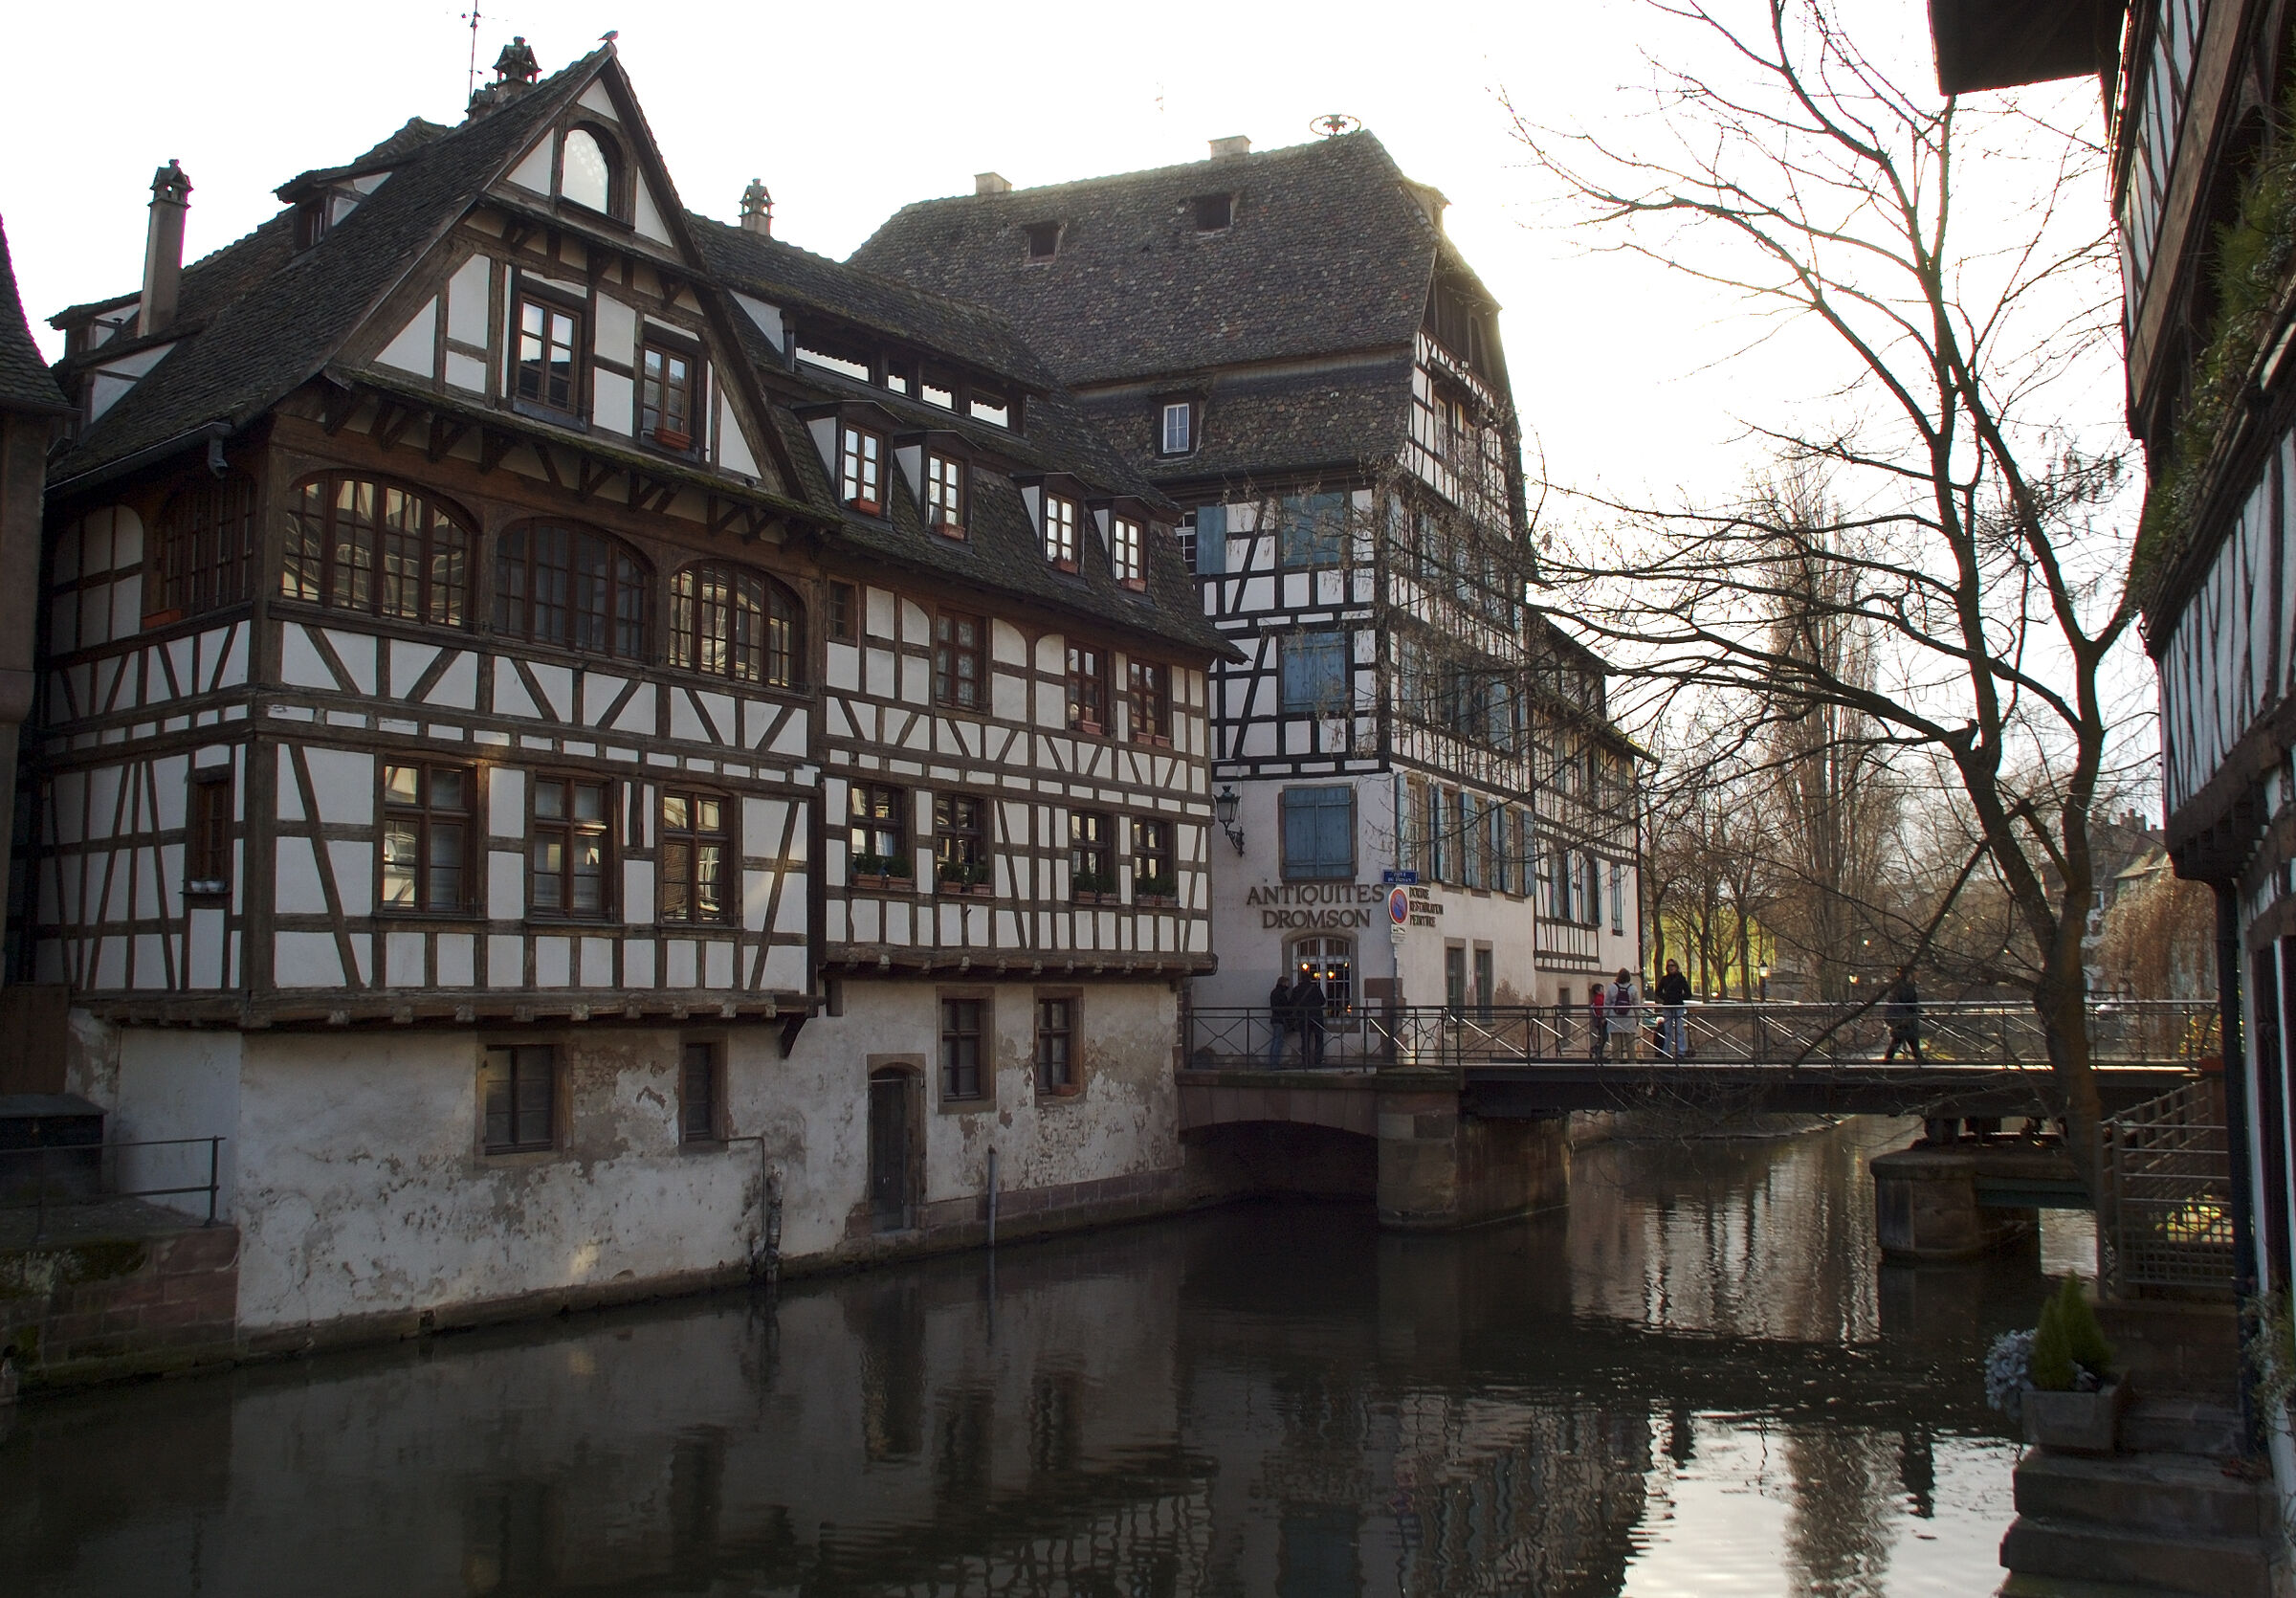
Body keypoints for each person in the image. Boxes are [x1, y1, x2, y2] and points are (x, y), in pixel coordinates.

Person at [1654, 959, 1692, 1059]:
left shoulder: (1681, 979)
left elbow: (1689, 993)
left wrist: (1679, 998)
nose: (1671, 967)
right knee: (1667, 1030)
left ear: (1676, 967)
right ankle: (1666, 1051)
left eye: (1672, 965)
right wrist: (1666, 998)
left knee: (1679, 1030)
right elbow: (1657, 991)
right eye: (1669, 966)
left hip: (1678, 1006)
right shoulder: (1665, 979)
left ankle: (1680, 1052)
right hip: (1668, 1006)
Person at [1884, 974, 1924, 1062]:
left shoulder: (1901, 988)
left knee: (1899, 1041)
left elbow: (1911, 1005)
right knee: (1907, 1040)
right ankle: (1921, 1061)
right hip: (1904, 1020)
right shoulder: (1904, 989)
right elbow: (1909, 1004)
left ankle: (1887, 1061)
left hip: (1903, 1020)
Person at [1295, 963, 1329, 1069]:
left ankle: (1305, 1061)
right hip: (1316, 1016)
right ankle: (1318, 1060)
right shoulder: (1315, 988)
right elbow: (1322, 1001)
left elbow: (1292, 1003)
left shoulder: (1296, 989)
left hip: (1303, 1018)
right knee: (1319, 1038)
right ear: (1310, 979)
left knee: (1305, 1040)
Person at [1266, 972, 1297, 1066]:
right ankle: (1274, 1063)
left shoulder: (1274, 992)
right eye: (1287, 984)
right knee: (1278, 1041)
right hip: (1280, 1020)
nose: (1288, 986)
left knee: (1275, 1041)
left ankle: (1272, 1062)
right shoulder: (1281, 994)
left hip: (1275, 1019)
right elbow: (1285, 1007)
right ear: (1283, 983)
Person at [1607, 969, 1639, 1059]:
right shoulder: (1633, 988)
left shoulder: (1612, 987)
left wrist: (1605, 1016)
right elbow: (1637, 1005)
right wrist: (1637, 1018)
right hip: (1629, 1016)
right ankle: (1632, 1061)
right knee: (1630, 1042)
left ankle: (1615, 1061)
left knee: (1615, 1042)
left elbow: (1607, 1003)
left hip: (1615, 1016)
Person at [1588, 981, 1609, 1062]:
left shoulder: (1601, 997)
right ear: (1597, 991)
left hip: (1602, 1020)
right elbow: (1599, 1009)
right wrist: (1602, 1018)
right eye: (1602, 989)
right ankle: (1596, 1050)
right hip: (1601, 1020)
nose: (1603, 991)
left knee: (1603, 1037)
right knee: (1604, 1036)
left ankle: (1598, 1051)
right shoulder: (1598, 998)